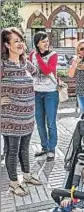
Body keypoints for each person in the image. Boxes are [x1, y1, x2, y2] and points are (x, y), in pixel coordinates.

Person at [1, 27, 42, 196]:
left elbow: (38, 73)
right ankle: (13, 183)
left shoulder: (26, 64)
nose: (20, 44)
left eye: (21, 40)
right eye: (16, 41)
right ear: (6, 45)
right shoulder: (2, 65)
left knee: (25, 148)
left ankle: (26, 175)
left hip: (27, 115)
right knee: (12, 150)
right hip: (10, 117)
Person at [29, 31, 58, 161]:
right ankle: (44, 147)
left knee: (50, 122)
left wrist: (38, 57)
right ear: (37, 43)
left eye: (47, 41)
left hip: (50, 92)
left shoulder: (53, 54)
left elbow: (47, 70)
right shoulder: (31, 55)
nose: (46, 43)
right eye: (43, 41)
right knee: (40, 123)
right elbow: (29, 71)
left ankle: (52, 149)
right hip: (36, 92)